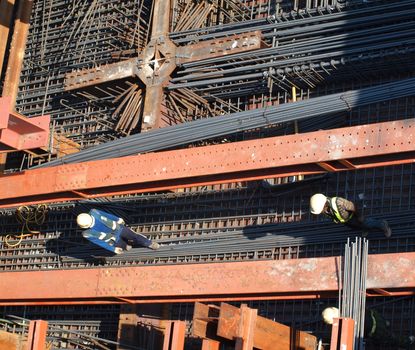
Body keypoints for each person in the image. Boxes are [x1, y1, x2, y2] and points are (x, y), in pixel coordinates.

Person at [322, 306, 415, 349]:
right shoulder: (347, 305)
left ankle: (408, 340)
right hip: (374, 316)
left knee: (390, 338)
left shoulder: (344, 328)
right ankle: (387, 323)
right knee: (383, 322)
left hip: (375, 330)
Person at [77, 209, 160, 254]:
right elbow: (100, 242)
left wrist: (118, 220)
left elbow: (107, 216)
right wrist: (113, 249)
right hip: (112, 239)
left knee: (134, 236)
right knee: (123, 246)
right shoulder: (87, 234)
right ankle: (126, 246)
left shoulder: (94, 212)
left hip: (119, 228)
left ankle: (149, 243)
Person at [309, 193, 391, 238]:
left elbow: (352, 206)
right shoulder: (326, 209)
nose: (321, 212)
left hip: (354, 217)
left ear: (324, 205)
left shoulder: (338, 202)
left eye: (320, 210)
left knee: (367, 222)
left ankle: (382, 224)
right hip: (347, 221)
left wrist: (359, 216)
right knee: (358, 227)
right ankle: (366, 229)